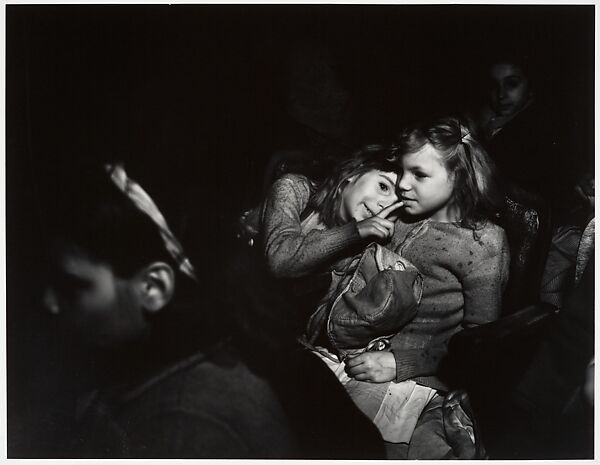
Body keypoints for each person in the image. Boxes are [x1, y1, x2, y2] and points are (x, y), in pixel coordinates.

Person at [39, 162, 385, 458]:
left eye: (73, 286)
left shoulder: (183, 423)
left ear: (154, 287)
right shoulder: (295, 188)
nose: (49, 303)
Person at [326, 117, 510, 459]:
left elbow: (480, 343)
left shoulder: (483, 243)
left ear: (460, 176)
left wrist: (403, 362)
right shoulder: (400, 214)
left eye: (420, 175)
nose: (403, 184)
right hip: (347, 353)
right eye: (402, 170)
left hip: (418, 379)